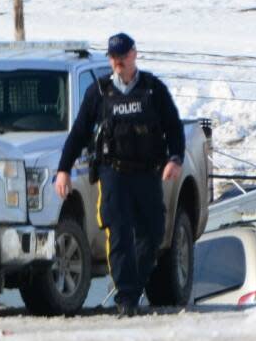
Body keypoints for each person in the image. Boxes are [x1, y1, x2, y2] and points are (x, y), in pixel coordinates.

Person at [54, 33, 185, 317]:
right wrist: (63, 170)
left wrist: (175, 158)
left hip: (148, 174)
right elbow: (78, 134)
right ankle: (126, 297)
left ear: (134, 55)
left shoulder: (152, 89)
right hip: (113, 173)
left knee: (153, 232)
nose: (118, 63)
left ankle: (133, 287)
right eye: (113, 58)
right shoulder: (99, 93)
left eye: (122, 57)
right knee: (119, 231)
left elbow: (174, 127)